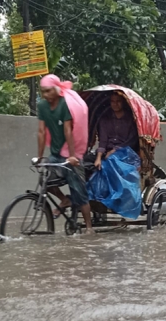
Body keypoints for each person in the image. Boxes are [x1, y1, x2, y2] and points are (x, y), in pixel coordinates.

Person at [36, 74, 94, 233]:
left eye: (48, 91)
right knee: (45, 181)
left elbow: (68, 131)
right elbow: (41, 132)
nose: (45, 95)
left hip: (71, 154)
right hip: (55, 154)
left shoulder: (64, 105)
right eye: (43, 92)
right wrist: (40, 156)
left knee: (80, 192)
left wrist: (73, 156)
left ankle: (89, 228)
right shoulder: (42, 106)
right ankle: (64, 200)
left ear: (56, 90)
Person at [94, 92, 139, 170]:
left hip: (125, 152)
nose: (115, 104)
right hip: (107, 152)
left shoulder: (131, 120)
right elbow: (103, 141)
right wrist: (98, 158)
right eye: (113, 101)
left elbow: (131, 141)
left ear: (123, 102)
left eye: (118, 101)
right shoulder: (105, 119)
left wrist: (114, 151)